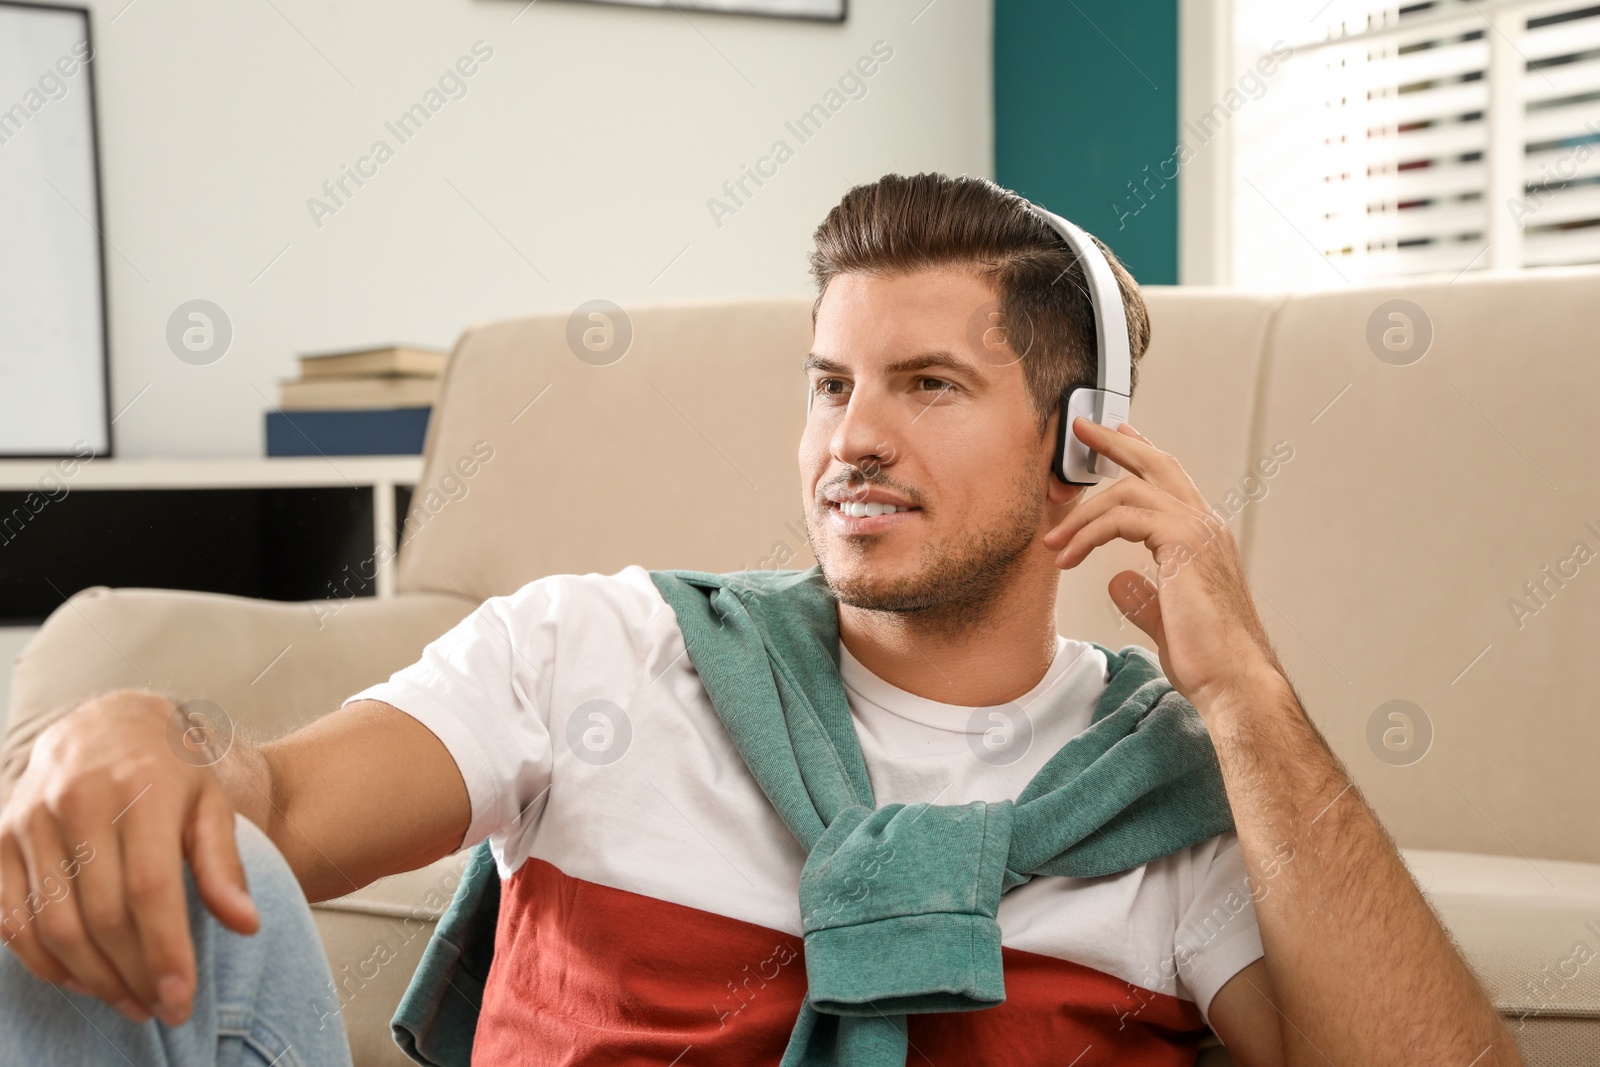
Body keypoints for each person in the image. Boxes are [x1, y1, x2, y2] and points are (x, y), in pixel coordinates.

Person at [0, 173, 1520, 1066]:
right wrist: (152, 734)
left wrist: (1249, 696)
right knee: (86, 879)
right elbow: (266, 811)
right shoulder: (597, 654)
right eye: (829, 384)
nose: (852, 438)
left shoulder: (1177, 811)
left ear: (1084, 448)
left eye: (928, 385)